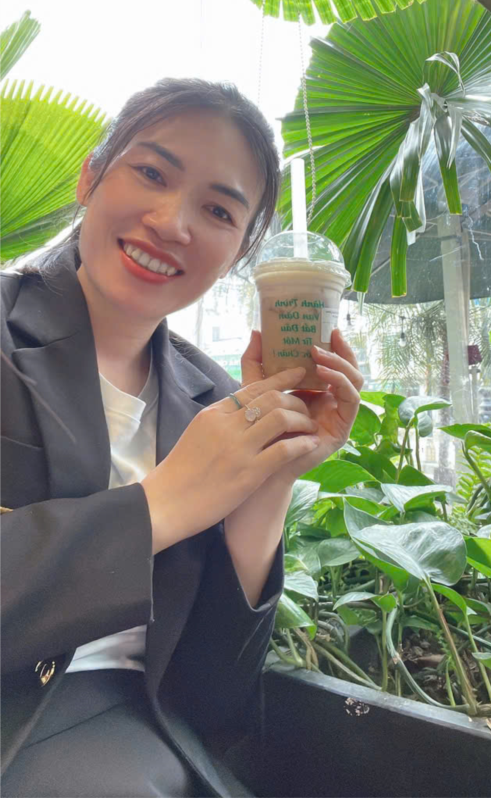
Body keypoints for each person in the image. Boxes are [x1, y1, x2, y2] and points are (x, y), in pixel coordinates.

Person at [0, 77, 362, 798]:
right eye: (151, 173)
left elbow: (211, 701)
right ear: (89, 178)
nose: (171, 222)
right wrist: (161, 505)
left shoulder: (214, 402)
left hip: (154, 745)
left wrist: (269, 484)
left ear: (239, 254)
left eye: (219, 211)